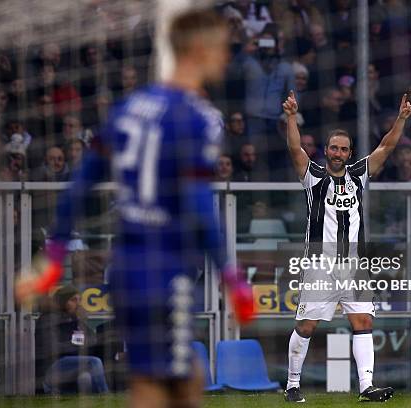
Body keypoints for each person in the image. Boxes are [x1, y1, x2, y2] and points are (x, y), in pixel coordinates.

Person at [16, 9, 253, 408]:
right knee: (165, 386)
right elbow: (199, 204)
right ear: (198, 50)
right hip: (168, 267)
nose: (226, 58)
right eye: (221, 48)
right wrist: (231, 276)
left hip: (125, 266)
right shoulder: (199, 118)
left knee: (166, 381)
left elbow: (80, 183)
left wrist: (55, 253)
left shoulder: (130, 106)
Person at [281, 90, 411, 403]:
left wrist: (401, 119)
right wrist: (290, 116)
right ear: (326, 150)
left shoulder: (359, 175)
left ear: (350, 153)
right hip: (319, 266)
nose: (338, 153)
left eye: (343, 149)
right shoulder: (312, 175)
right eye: (333, 148)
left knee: (363, 321)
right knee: (307, 325)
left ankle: (366, 388)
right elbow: (294, 148)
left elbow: (387, 146)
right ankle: (292, 385)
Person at [36, 285, 109, 394]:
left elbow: (92, 340)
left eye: (80, 300)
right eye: (73, 300)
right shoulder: (48, 319)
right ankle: (105, 397)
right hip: (52, 366)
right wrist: (77, 345)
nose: (78, 303)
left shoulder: (75, 319)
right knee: (94, 362)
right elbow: (52, 348)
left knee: (86, 377)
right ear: (62, 302)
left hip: (73, 366)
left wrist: (81, 322)